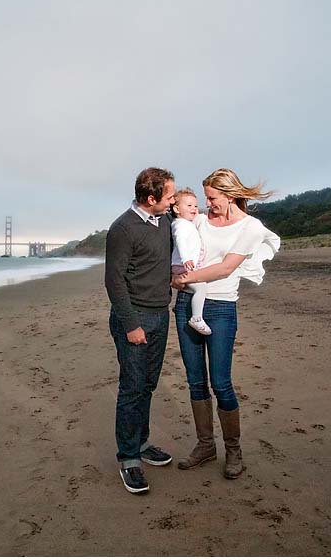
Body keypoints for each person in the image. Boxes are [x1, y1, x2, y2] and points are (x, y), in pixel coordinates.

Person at [171, 168, 280, 479]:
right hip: (186, 304)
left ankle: (233, 449)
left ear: (230, 195)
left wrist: (185, 278)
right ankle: (206, 445)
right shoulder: (200, 219)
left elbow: (224, 268)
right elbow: (176, 236)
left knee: (220, 382)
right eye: (205, 198)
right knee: (195, 381)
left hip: (221, 308)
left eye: (213, 198)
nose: (207, 204)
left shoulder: (250, 228)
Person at [105, 167, 177, 494]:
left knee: (148, 384)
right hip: (133, 319)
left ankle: (142, 441)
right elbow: (114, 281)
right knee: (132, 388)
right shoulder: (123, 229)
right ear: (151, 198)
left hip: (160, 315)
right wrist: (131, 325)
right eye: (170, 196)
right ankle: (129, 457)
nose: (173, 202)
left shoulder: (164, 222)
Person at [170, 188, 212, 336]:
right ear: (176, 208)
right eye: (189, 206)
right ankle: (196, 318)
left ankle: (180, 307)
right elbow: (180, 241)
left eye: (195, 205)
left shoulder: (187, 223)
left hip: (184, 264)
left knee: (193, 287)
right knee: (200, 288)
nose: (194, 209)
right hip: (182, 264)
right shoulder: (180, 225)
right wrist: (186, 258)